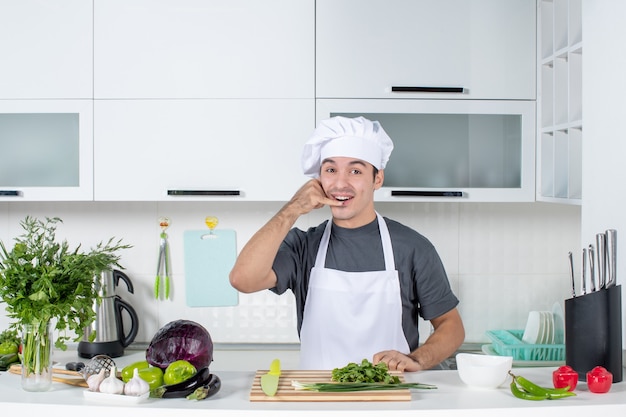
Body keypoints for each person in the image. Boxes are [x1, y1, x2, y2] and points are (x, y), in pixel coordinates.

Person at [229, 116, 464, 371]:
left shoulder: (413, 248)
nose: (340, 183)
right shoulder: (303, 246)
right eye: (331, 170)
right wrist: (293, 208)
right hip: (319, 398)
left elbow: (451, 326)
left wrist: (417, 360)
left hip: (391, 398)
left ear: (377, 179)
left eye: (355, 171)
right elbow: (243, 279)